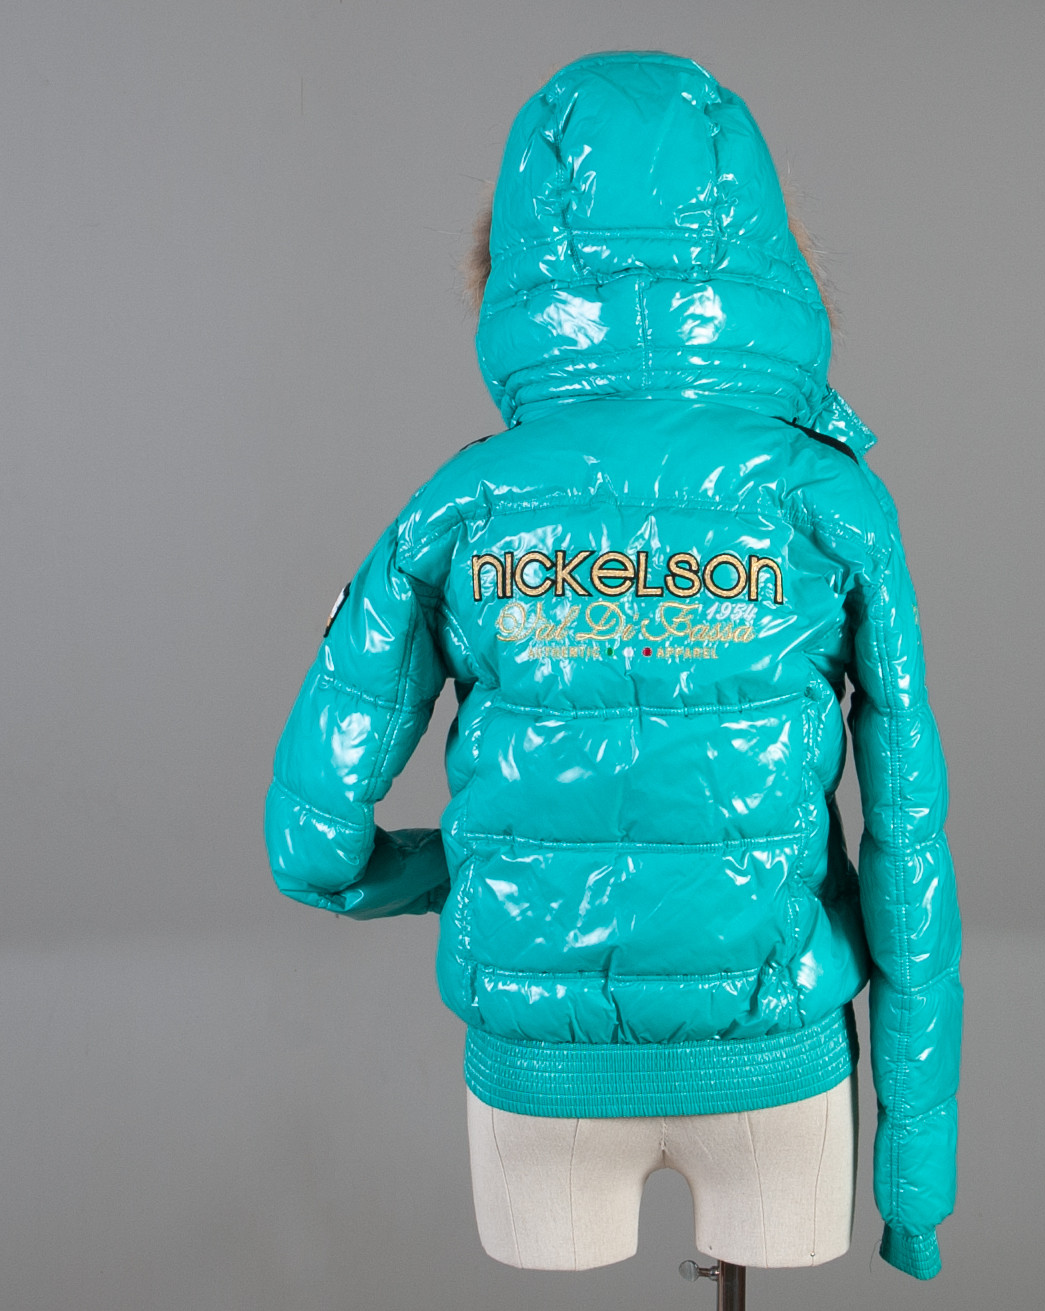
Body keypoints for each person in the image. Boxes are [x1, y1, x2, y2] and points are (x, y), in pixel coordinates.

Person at [265, 50, 962, 1282]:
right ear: (764, 255)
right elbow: (909, 849)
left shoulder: (458, 509)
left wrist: (467, 870)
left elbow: (311, 848)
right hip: (777, 1072)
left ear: (517, 271)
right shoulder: (832, 503)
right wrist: (914, 1191)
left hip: (541, 1087)